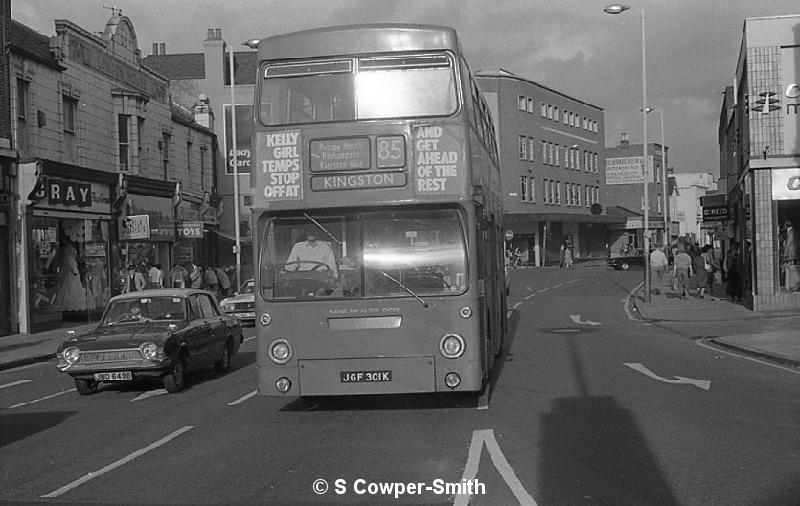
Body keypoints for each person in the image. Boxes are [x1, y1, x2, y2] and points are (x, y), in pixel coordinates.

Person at [783, 219, 800, 291]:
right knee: (791, 269)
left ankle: (793, 286)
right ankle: (792, 285)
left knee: (792, 269)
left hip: (791, 254)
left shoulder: (791, 232)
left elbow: (788, 244)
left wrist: (785, 254)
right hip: (792, 253)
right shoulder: (791, 232)